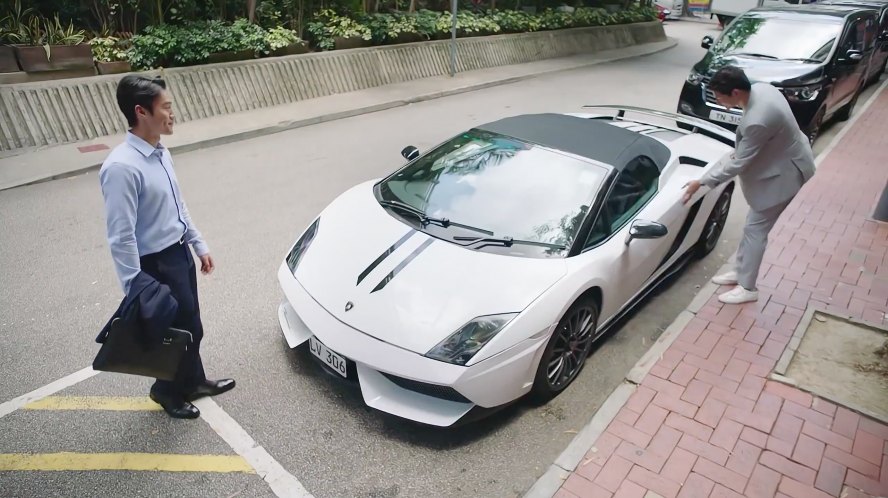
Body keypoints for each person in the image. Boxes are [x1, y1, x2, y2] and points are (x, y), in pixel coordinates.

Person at [99, 75, 234, 419]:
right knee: (170, 333)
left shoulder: (160, 151)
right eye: (167, 107)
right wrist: (134, 286)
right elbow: (121, 235)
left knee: (192, 325)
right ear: (141, 111)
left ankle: (194, 381)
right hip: (153, 264)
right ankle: (166, 391)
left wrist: (197, 243)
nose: (173, 114)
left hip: (178, 254)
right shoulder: (121, 167)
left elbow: (178, 204)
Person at [682, 66, 815, 304]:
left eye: (720, 97)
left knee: (756, 231)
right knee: (752, 227)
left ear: (735, 92)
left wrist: (701, 182)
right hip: (787, 161)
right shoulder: (762, 89)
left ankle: (748, 287)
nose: (720, 103)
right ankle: (741, 272)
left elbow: (739, 164)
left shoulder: (758, 120)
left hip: (784, 176)